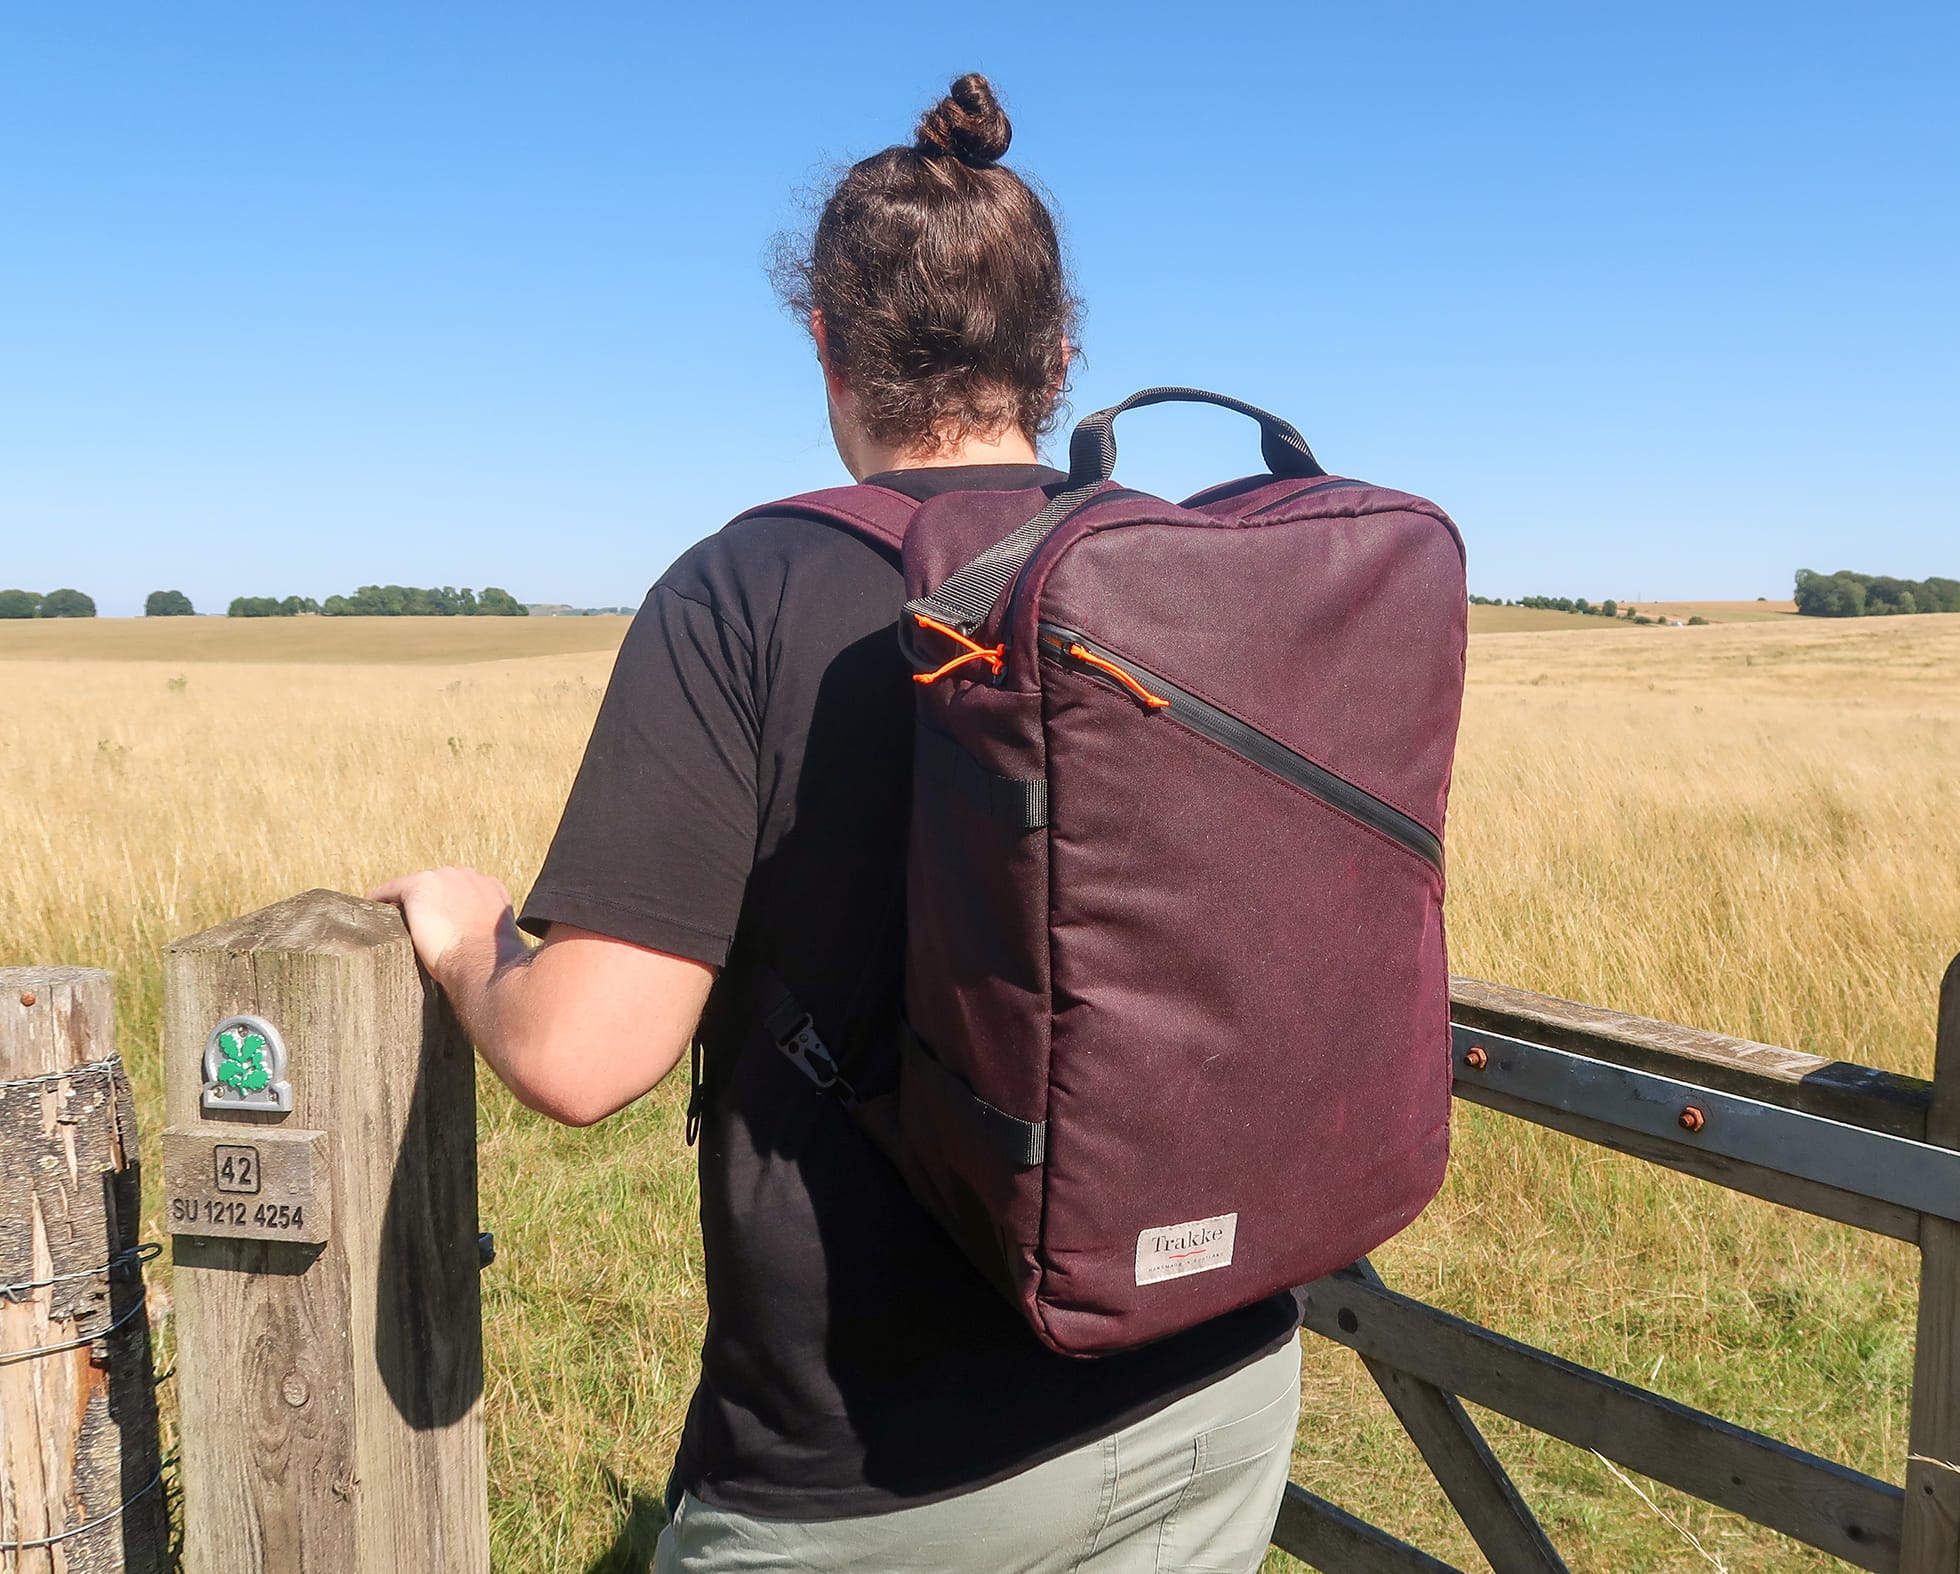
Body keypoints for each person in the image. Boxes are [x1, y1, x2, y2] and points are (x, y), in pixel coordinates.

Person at [374, 73, 1303, 1574]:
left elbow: (582, 1051)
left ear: (825, 343)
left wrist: (471, 927)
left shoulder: (746, 588)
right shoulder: (1188, 574)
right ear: (1057, 356)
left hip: (880, 1467)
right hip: (1216, 1378)